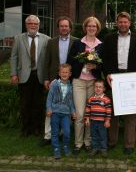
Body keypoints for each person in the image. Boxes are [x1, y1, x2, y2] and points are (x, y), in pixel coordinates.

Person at [102, 11, 136, 155]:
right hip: (115, 78)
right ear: (117, 23)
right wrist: (107, 74)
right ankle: (112, 141)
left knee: (130, 114)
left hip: (131, 79)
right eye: (120, 22)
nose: (123, 24)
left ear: (130, 23)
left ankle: (129, 144)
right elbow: (104, 59)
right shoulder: (108, 38)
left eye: (125, 22)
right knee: (114, 113)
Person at [67, 16, 103, 155]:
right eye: (89, 26)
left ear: (97, 28)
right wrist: (82, 61)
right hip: (79, 82)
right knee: (80, 114)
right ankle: (78, 143)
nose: (91, 28)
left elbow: (102, 65)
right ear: (85, 27)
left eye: (94, 26)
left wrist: (94, 66)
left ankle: (88, 142)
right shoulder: (78, 43)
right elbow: (70, 61)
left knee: (91, 113)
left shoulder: (101, 45)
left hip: (93, 83)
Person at [10, 14, 50, 136]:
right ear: (26, 25)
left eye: (35, 24)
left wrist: (48, 77)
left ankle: (37, 128)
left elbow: (48, 59)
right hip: (24, 75)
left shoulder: (47, 39)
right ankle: (26, 128)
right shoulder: (18, 38)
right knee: (25, 103)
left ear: (39, 25)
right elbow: (14, 57)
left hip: (40, 75)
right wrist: (13, 74)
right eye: (30, 23)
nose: (33, 25)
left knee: (38, 103)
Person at [40, 16, 77, 147]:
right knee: (51, 105)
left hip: (70, 79)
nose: (64, 28)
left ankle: (62, 133)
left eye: (66, 26)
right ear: (58, 28)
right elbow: (46, 61)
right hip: (54, 78)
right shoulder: (51, 42)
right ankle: (48, 135)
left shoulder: (76, 42)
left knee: (67, 105)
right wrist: (46, 78)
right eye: (61, 26)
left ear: (70, 28)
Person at [46, 63, 76, 159]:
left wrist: (73, 111)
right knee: (55, 132)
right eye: (62, 72)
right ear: (59, 73)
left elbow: (71, 101)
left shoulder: (70, 86)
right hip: (55, 112)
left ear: (70, 74)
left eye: (66, 72)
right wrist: (49, 109)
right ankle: (56, 149)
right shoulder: (54, 84)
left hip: (66, 114)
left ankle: (66, 146)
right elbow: (49, 98)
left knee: (67, 131)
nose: (64, 74)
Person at [84, 79, 112, 157]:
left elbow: (109, 111)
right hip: (93, 121)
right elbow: (88, 109)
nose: (98, 88)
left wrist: (107, 121)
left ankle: (103, 149)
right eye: (96, 87)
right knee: (94, 135)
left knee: (103, 136)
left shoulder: (106, 99)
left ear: (104, 89)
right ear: (94, 88)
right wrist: (87, 118)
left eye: (100, 87)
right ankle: (95, 148)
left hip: (102, 122)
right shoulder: (91, 99)